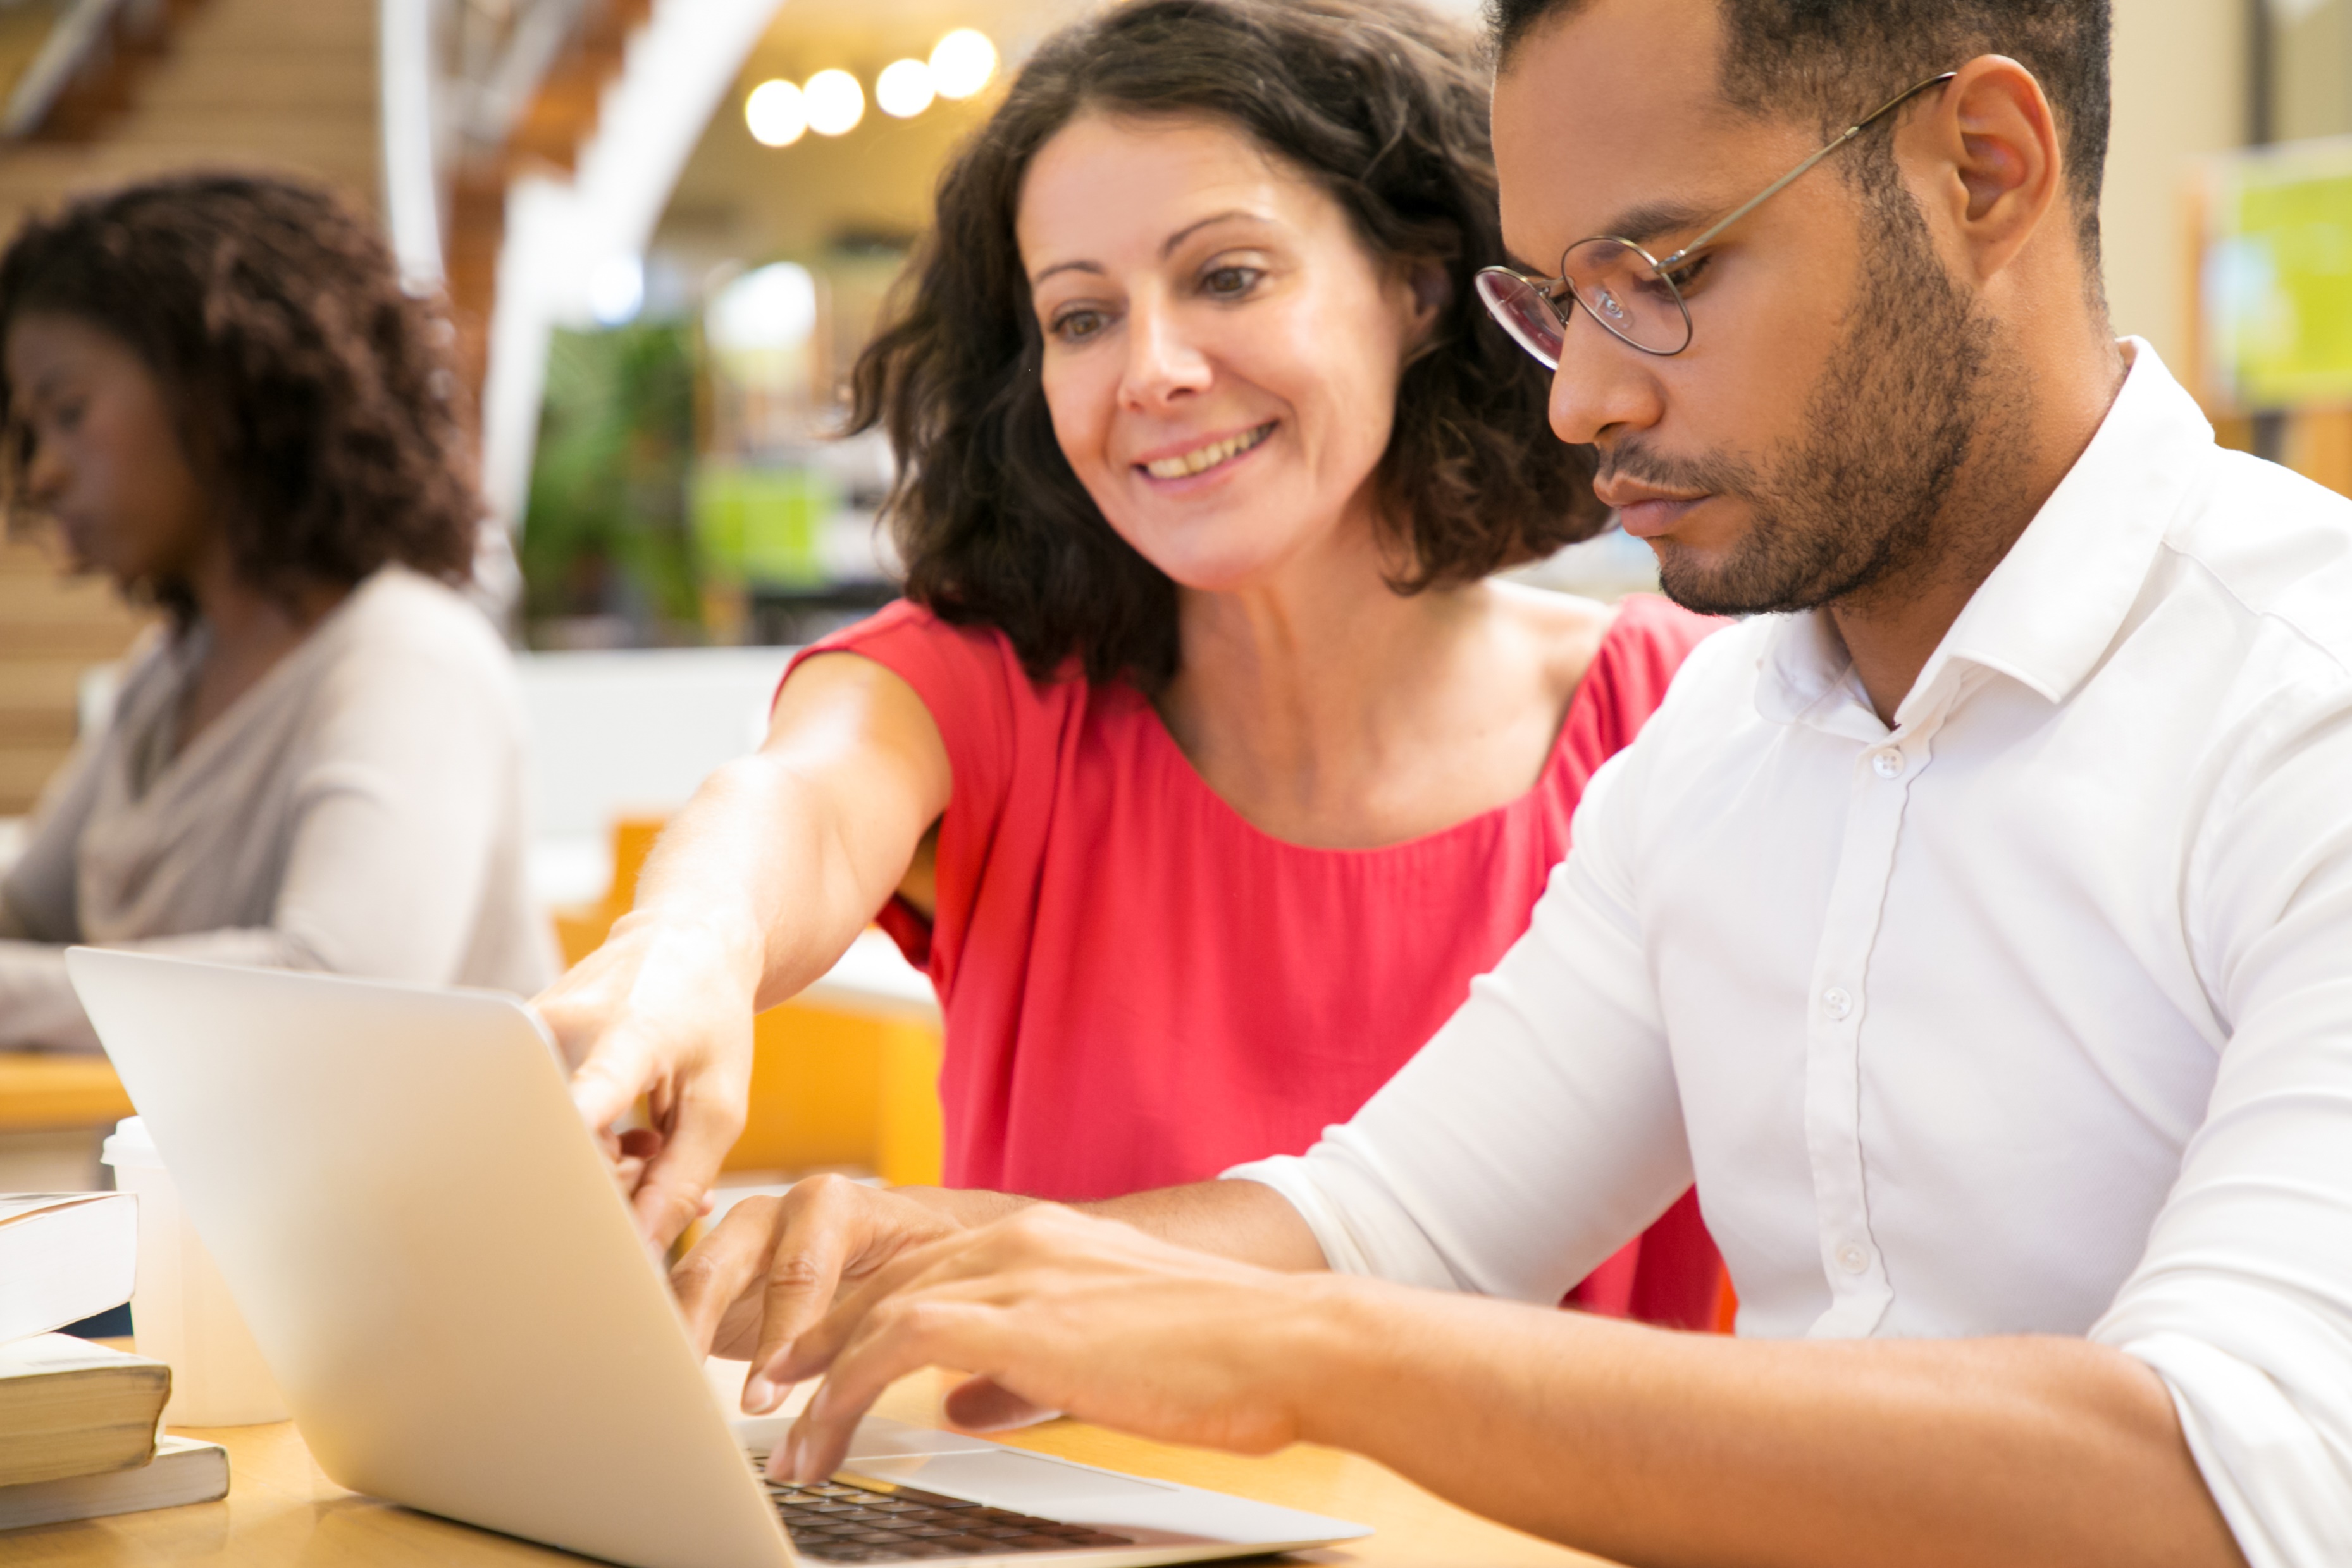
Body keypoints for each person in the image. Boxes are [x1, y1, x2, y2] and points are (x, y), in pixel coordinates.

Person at [666, 1, 2352, 1565]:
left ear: (1977, 169)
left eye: (1663, 269)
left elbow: (2219, 1480)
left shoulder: (2303, 703)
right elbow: (1387, 1225)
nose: (1584, 397)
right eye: (1555, 299)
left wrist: (1306, 1353)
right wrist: (906, 1265)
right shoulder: (1726, 740)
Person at [540, 0, 1726, 1324]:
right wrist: (687, 944)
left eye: (1225, 276)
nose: (1150, 371)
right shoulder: (983, 699)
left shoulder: (1684, 718)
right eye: (1080, 317)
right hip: (1057, 1531)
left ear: (1418, 286)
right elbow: (798, 805)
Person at [0, 173, 555, 1049]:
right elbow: (29, 910)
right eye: (32, 431)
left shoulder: (406, 655)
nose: (41, 475)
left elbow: (343, 989)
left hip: (408, 1188)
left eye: (69, 413)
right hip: (202, 1187)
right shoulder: (171, 670)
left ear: (220, 393)